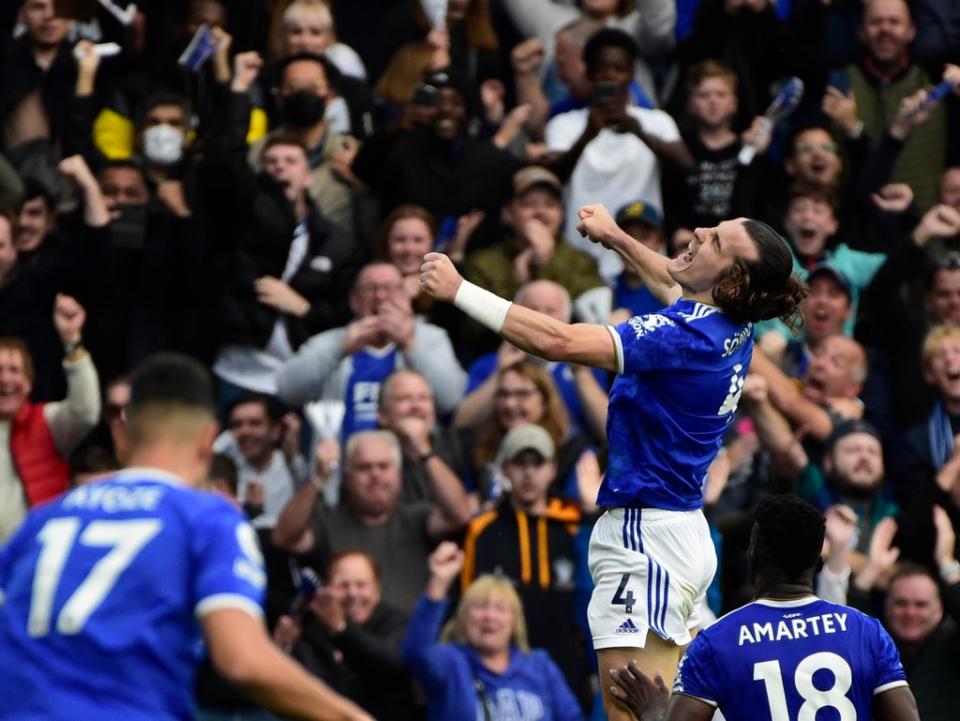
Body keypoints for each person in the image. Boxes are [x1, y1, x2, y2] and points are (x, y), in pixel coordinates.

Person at [419, 206, 806, 719]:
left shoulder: (683, 336)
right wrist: (616, 237)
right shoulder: (731, 322)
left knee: (632, 715)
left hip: (644, 543)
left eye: (713, 241)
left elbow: (559, 342)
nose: (698, 233)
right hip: (681, 530)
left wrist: (460, 290)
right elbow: (672, 284)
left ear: (731, 280)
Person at [0, 353, 372, 721]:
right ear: (209, 438)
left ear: (120, 434)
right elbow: (241, 659)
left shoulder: (44, 520)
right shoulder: (207, 519)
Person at [607, 495, 920, 721]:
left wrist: (654, 712)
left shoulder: (716, 642)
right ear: (818, 564)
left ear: (752, 556)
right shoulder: (867, 632)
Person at [402, 541, 586, 721]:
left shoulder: (540, 666)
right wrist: (439, 582)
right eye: (480, 606)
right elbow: (416, 653)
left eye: (500, 608)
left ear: (515, 621)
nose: (489, 616)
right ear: (463, 618)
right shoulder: (452, 662)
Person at [0, 294, 100, 543]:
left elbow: (85, 411)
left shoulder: (46, 421)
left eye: (15, 370)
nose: (5, 379)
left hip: (33, 556)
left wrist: (72, 341)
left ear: (29, 383)